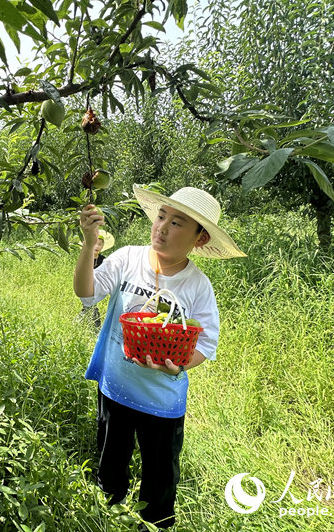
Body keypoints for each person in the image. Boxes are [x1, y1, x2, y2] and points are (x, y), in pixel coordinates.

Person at [73, 185, 246, 529]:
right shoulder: (127, 258)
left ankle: (156, 522)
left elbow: (206, 343)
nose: (162, 227)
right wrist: (88, 243)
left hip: (162, 398)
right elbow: (86, 292)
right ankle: (107, 511)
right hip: (116, 387)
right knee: (111, 461)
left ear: (199, 239)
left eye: (177, 223)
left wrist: (179, 363)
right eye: (161, 216)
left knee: (160, 473)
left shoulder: (197, 285)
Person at [79, 230, 115, 329]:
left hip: (99, 284)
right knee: (88, 303)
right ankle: (88, 319)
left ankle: (92, 321)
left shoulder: (104, 260)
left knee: (92, 304)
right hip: (87, 284)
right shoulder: (86, 258)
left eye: (100, 244)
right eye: (95, 244)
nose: (97, 247)